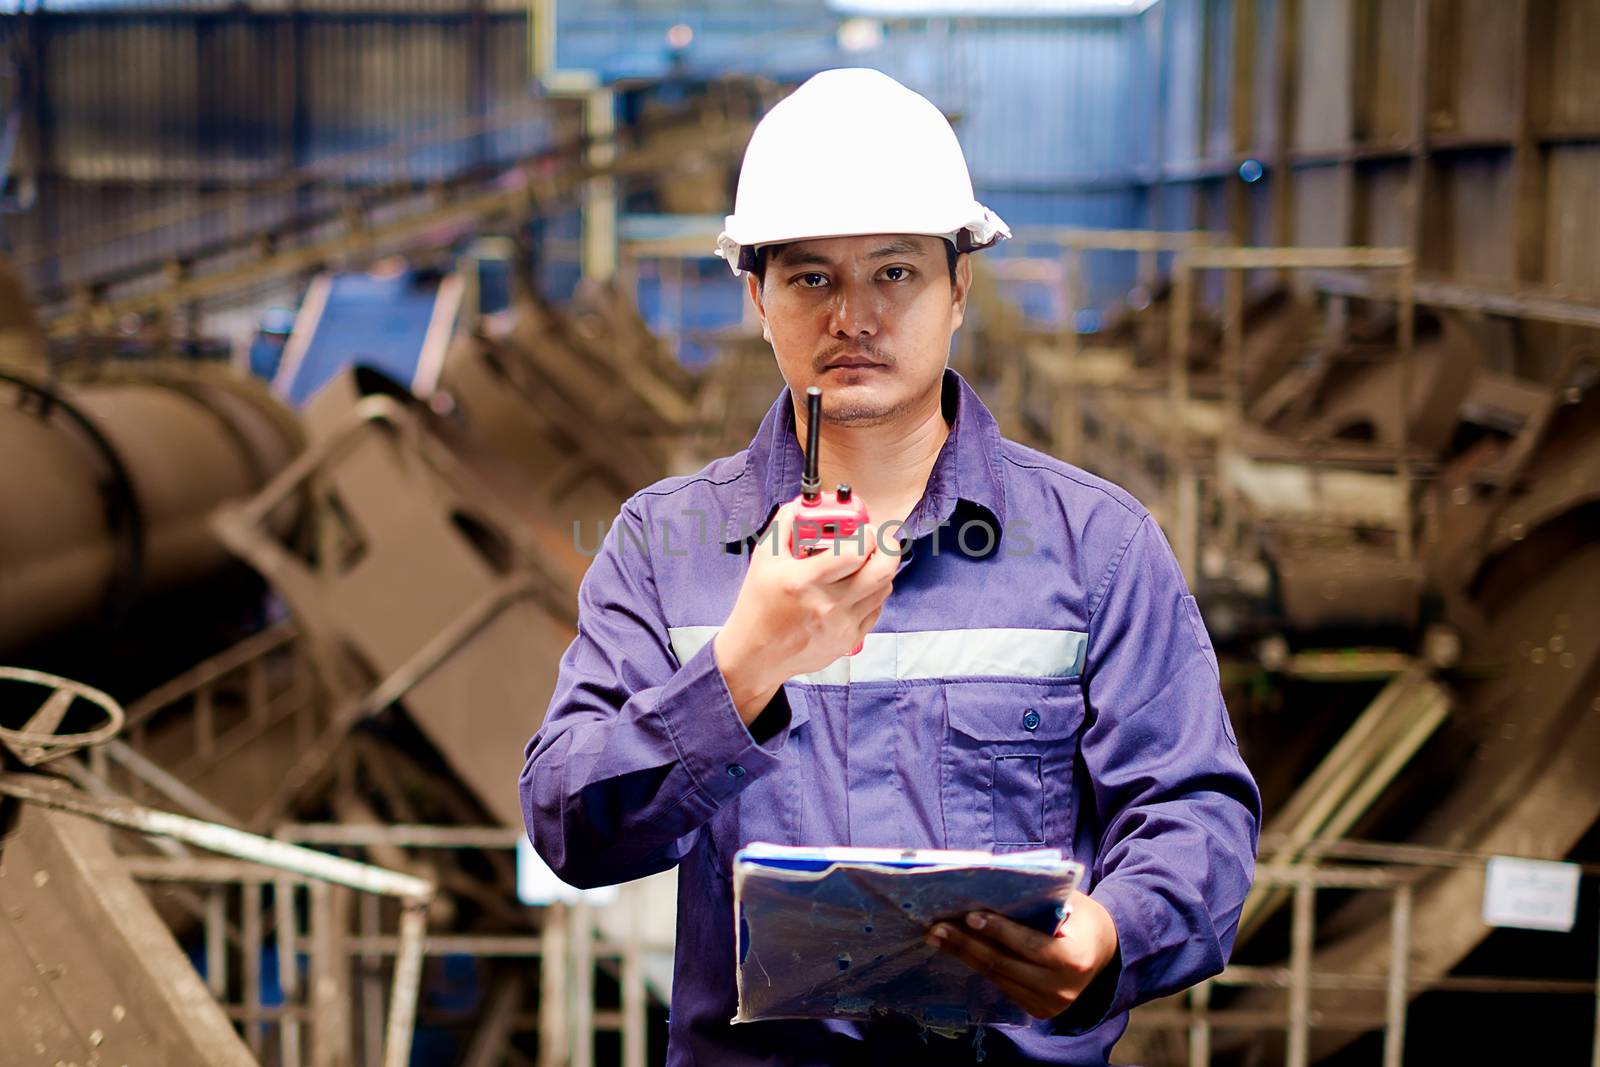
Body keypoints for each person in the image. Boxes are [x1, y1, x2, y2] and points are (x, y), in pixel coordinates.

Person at [521, 67, 1260, 1065]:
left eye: (895, 272)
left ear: (960, 284)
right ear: (757, 294)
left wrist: (1112, 929)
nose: (853, 316)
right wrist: (741, 667)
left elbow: (1192, 808)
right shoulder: (664, 548)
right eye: (811, 277)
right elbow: (571, 823)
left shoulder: (1099, 547)